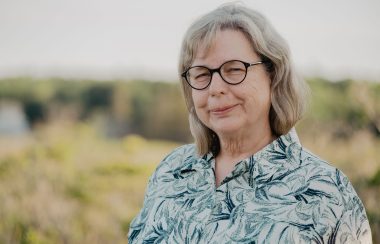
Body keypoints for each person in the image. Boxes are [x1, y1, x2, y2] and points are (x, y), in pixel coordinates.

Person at [128, 3, 372, 243]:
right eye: (201, 74)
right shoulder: (170, 171)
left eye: (234, 69)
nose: (215, 89)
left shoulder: (325, 191)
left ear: (274, 75)